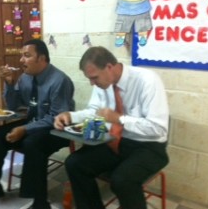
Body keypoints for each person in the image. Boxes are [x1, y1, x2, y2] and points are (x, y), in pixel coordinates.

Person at [54, 46, 169, 209]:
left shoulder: (147, 80)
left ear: (109, 67)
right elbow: (94, 112)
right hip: (115, 140)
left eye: (94, 78)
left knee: (122, 180)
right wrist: (70, 116)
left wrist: (119, 119)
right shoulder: (102, 85)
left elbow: (158, 129)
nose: (91, 83)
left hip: (148, 147)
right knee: (74, 163)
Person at [0, 39, 75, 209]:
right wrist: (10, 84)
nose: (21, 60)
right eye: (21, 56)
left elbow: (56, 116)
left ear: (41, 58)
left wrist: (24, 129)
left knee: (32, 143)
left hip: (58, 129)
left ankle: (40, 203)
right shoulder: (25, 78)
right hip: (33, 123)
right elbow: (14, 106)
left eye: (27, 56)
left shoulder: (59, 80)